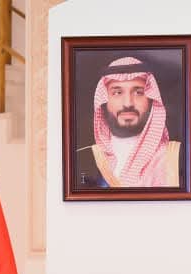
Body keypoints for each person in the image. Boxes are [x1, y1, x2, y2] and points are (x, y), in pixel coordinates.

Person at [74, 56, 182, 188]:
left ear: (151, 100)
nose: (128, 103)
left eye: (138, 92)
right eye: (117, 92)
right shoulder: (82, 160)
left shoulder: (178, 158)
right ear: (104, 101)